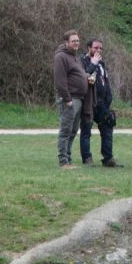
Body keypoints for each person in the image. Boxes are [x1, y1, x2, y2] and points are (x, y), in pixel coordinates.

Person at [53, 30, 94, 169]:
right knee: (66, 130)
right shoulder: (61, 57)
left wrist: (87, 77)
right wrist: (67, 99)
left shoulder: (74, 57)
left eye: (77, 40)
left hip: (79, 99)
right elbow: (60, 80)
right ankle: (63, 161)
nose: (76, 43)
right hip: (70, 100)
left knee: (73, 130)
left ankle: (68, 159)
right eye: (73, 41)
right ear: (66, 42)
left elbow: (79, 74)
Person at [79, 38, 121, 167]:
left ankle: (108, 158)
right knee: (86, 130)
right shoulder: (81, 62)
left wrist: (109, 98)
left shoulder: (102, 63)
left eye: (100, 48)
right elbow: (83, 78)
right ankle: (87, 158)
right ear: (89, 48)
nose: (98, 50)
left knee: (108, 127)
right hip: (89, 102)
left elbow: (105, 80)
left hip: (102, 103)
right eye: (96, 48)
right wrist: (93, 63)